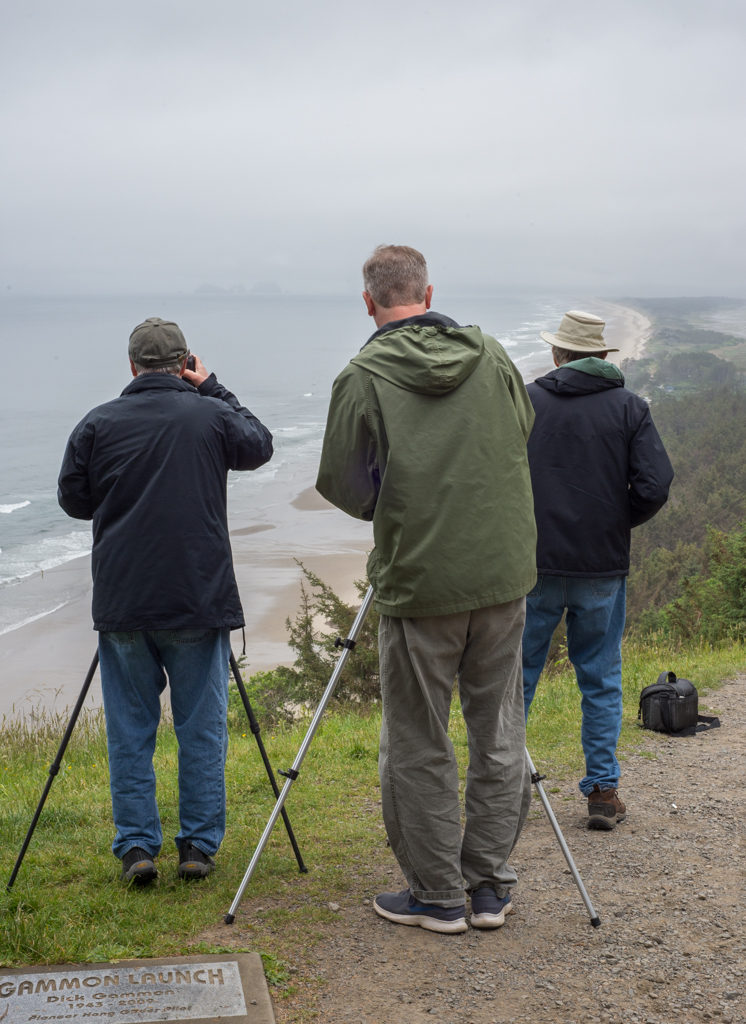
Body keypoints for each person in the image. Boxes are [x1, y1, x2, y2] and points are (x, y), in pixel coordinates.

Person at [316, 245, 536, 934]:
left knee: (418, 740)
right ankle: (489, 887)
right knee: (499, 732)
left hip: (420, 580)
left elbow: (343, 482)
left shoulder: (362, 374)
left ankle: (440, 896)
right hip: (502, 576)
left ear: (370, 301)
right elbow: (521, 429)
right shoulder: (493, 355)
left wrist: (401, 497)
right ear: (429, 291)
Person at [58, 317, 273, 883]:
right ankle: (198, 847)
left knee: (131, 730)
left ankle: (136, 848)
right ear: (185, 364)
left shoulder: (98, 423)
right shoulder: (211, 414)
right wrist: (214, 387)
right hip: (197, 598)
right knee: (200, 729)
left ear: (131, 366)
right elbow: (259, 446)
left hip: (125, 598)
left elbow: (75, 502)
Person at [522, 310, 673, 830]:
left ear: (557, 355)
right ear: (602, 357)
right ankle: (603, 793)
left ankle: (506, 790)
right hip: (601, 566)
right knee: (601, 678)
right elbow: (654, 486)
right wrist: (614, 522)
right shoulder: (630, 407)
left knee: (515, 678)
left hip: (531, 564)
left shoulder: (526, 400)